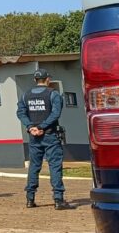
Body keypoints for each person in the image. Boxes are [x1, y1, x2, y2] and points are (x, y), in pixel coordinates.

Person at [17, 68, 74, 210]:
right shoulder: (53, 94)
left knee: (34, 167)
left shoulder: (25, 95)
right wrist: (42, 127)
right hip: (50, 135)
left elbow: (20, 112)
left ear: (35, 80)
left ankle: (30, 199)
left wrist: (31, 126)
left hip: (34, 137)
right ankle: (58, 200)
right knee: (54, 166)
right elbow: (55, 114)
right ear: (48, 79)